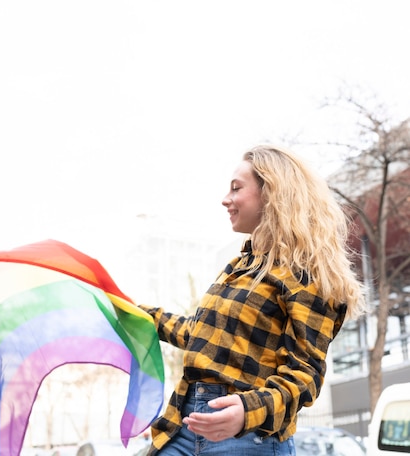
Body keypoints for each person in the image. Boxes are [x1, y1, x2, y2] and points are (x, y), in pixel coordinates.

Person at [139, 145, 365, 456]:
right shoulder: (240, 266)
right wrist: (135, 314)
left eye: (236, 188)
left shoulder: (305, 272)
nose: (225, 199)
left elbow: (305, 375)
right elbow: (199, 335)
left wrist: (248, 411)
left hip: (250, 437)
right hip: (184, 420)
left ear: (272, 192)